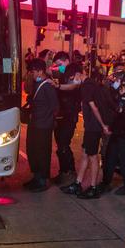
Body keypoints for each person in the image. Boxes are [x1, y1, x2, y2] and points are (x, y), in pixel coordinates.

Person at [61, 67, 114, 199]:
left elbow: (94, 107)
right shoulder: (90, 83)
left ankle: (93, 187)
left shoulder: (86, 87)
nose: (73, 81)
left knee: (93, 156)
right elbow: (71, 88)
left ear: (78, 74)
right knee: (85, 154)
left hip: (93, 127)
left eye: (73, 78)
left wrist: (103, 125)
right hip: (91, 126)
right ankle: (78, 183)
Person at [23, 58, 58, 192]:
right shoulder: (36, 84)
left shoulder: (48, 86)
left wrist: (48, 119)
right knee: (33, 150)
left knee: (43, 152)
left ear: (40, 71)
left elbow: (55, 107)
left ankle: (43, 180)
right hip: (34, 123)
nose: (32, 74)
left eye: (33, 72)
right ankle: (36, 177)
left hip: (44, 125)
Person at [101, 71, 125, 195]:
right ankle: (106, 182)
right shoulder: (115, 94)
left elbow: (124, 113)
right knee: (109, 157)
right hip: (116, 132)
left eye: (117, 80)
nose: (114, 81)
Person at [51, 52, 81, 185]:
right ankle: (63, 172)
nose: (59, 67)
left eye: (59, 64)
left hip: (69, 114)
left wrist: (58, 86)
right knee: (60, 144)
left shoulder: (74, 70)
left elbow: (74, 85)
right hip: (61, 113)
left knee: (64, 144)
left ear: (66, 61)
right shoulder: (63, 72)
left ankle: (69, 172)